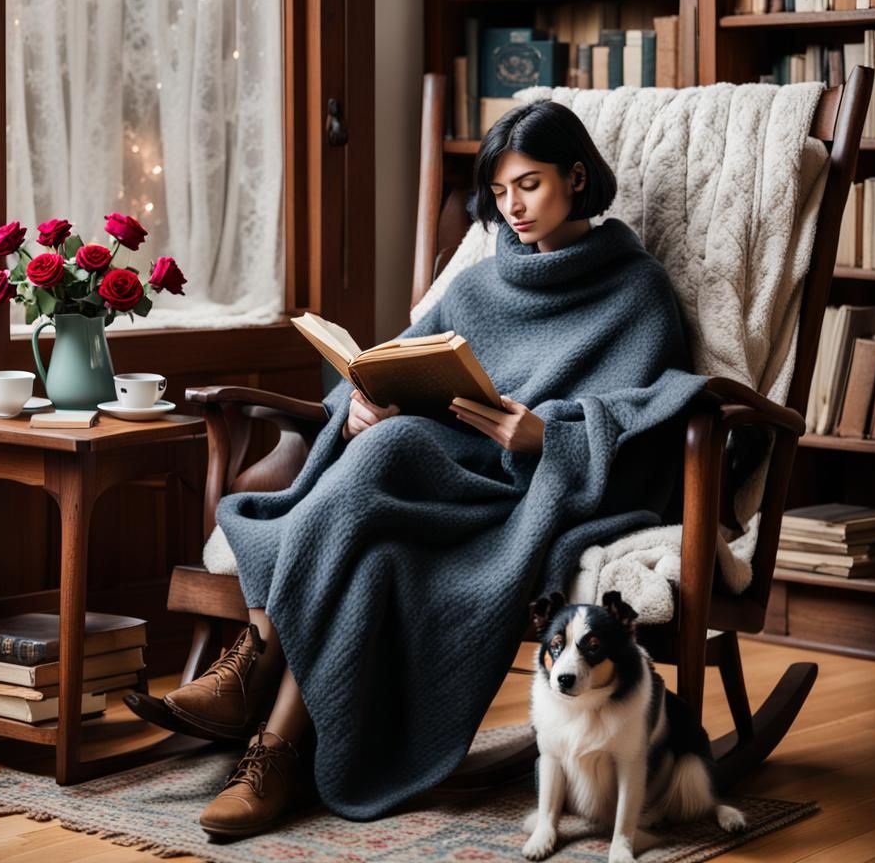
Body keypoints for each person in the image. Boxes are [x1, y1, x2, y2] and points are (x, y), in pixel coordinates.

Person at [125, 100, 707, 840]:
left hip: (521, 494)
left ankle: (258, 679)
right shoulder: (475, 286)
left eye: (528, 185)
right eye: (498, 194)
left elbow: (653, 419)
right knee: (378, 536)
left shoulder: (636, 290)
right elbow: (387, 363)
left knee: (390, 467)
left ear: (578, 176)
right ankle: (276, 747)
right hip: (425, 481)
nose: (512, 209)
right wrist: (360, 405)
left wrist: (547, 434)